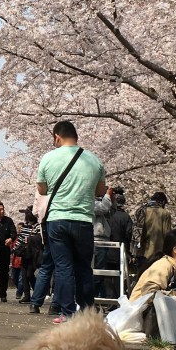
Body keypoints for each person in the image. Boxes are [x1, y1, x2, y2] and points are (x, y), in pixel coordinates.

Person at [35, 121, 107, 324]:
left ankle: (67, 312)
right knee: (84, 267)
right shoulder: (94, 160)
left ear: (57, 136)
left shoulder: (48, 158)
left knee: (63, 267)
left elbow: (42, 189)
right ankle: (87, 313)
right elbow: (100, 192)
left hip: (57, 219)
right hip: (83, 220)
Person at [130, 191, 172, 277]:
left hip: (141, 251)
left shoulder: (141, 210)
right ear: (163, 202)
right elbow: (167, 234)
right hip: (158, 252)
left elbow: (135, 231)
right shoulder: (164, 213)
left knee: (142, 275)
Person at [15, 208, 43, 304]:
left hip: (33, 254)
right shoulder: (26, 226)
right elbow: (21, 238)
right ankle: (27, 295)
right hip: (25, 253)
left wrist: (30, 239)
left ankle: (37, 293)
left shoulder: (38, 226)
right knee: (24, 275)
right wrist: (15, 248)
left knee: (29, 274)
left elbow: (40, 239)